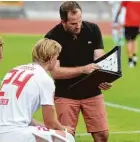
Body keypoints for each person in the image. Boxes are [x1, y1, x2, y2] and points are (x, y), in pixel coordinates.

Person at [44, 1, 112, 142]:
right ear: (63, 21)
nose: (78, 25)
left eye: (80, 21)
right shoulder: (52, 37)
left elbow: (99, 59)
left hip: (92, 92)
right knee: (66, 137)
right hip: (66, 94)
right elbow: (55, 72)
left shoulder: (93, 29)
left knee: (102, 135)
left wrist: (103, 77)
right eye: (73, 23)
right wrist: (83, 69)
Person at [0, 38, 75, 142]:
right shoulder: (45, 79)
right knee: (67, 138)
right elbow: (50, 122)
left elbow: (24, 118)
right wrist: (64, 129)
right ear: (51, 58)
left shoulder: (14, 70)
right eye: (56, 57)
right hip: (13, 134)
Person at [115, 1, 140, 67]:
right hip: (137, 23)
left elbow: (120, 9)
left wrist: (116, 19)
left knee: (128, 41)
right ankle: (135, 55)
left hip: (128, 23)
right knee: (134, 39)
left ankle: (130, 60)